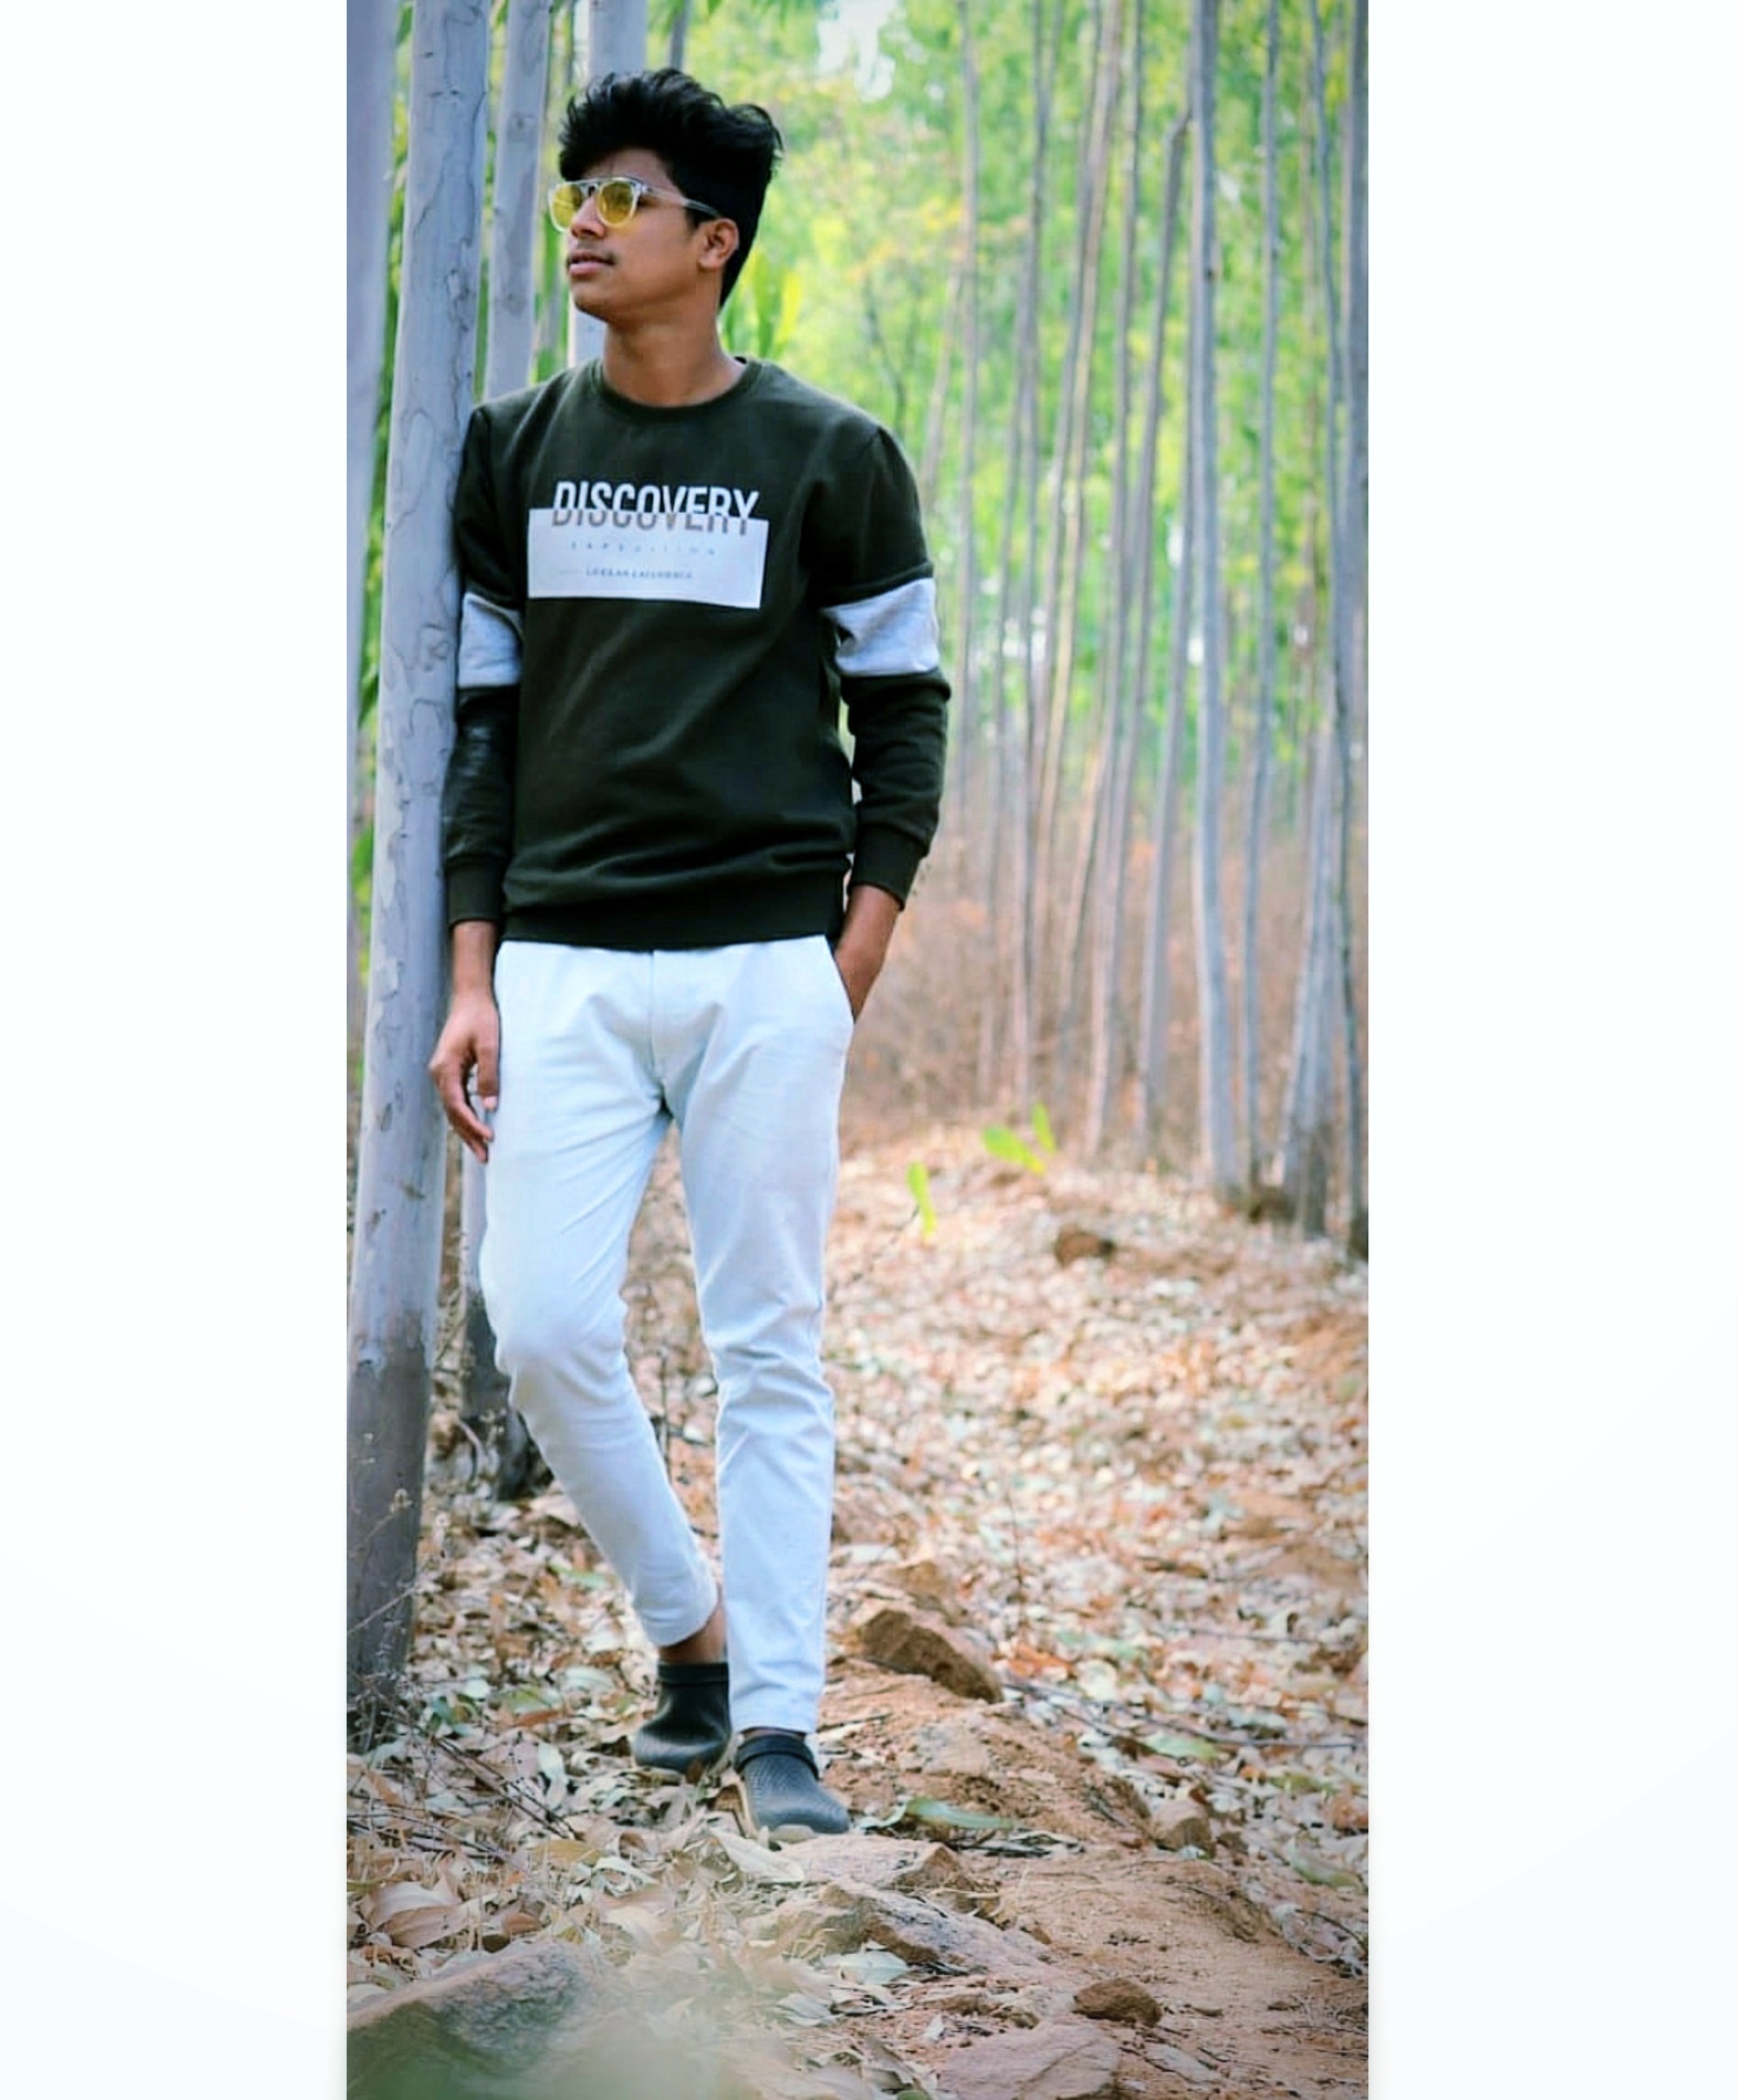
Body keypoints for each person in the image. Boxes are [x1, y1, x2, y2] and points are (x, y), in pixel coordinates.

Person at [429, 68, 948, 1843]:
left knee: (768, 1347)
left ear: (713, 243)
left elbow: (904, 711)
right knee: (542, 1323)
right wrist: (474, 971)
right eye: (574, 192)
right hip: (562, 956)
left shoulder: (830, 456)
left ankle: (780, 1722)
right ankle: (690, 1628)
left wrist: (845, 957)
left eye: (622, 197)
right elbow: (484, 728)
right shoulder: (510, 449)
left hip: (763, 963)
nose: (582, 222)